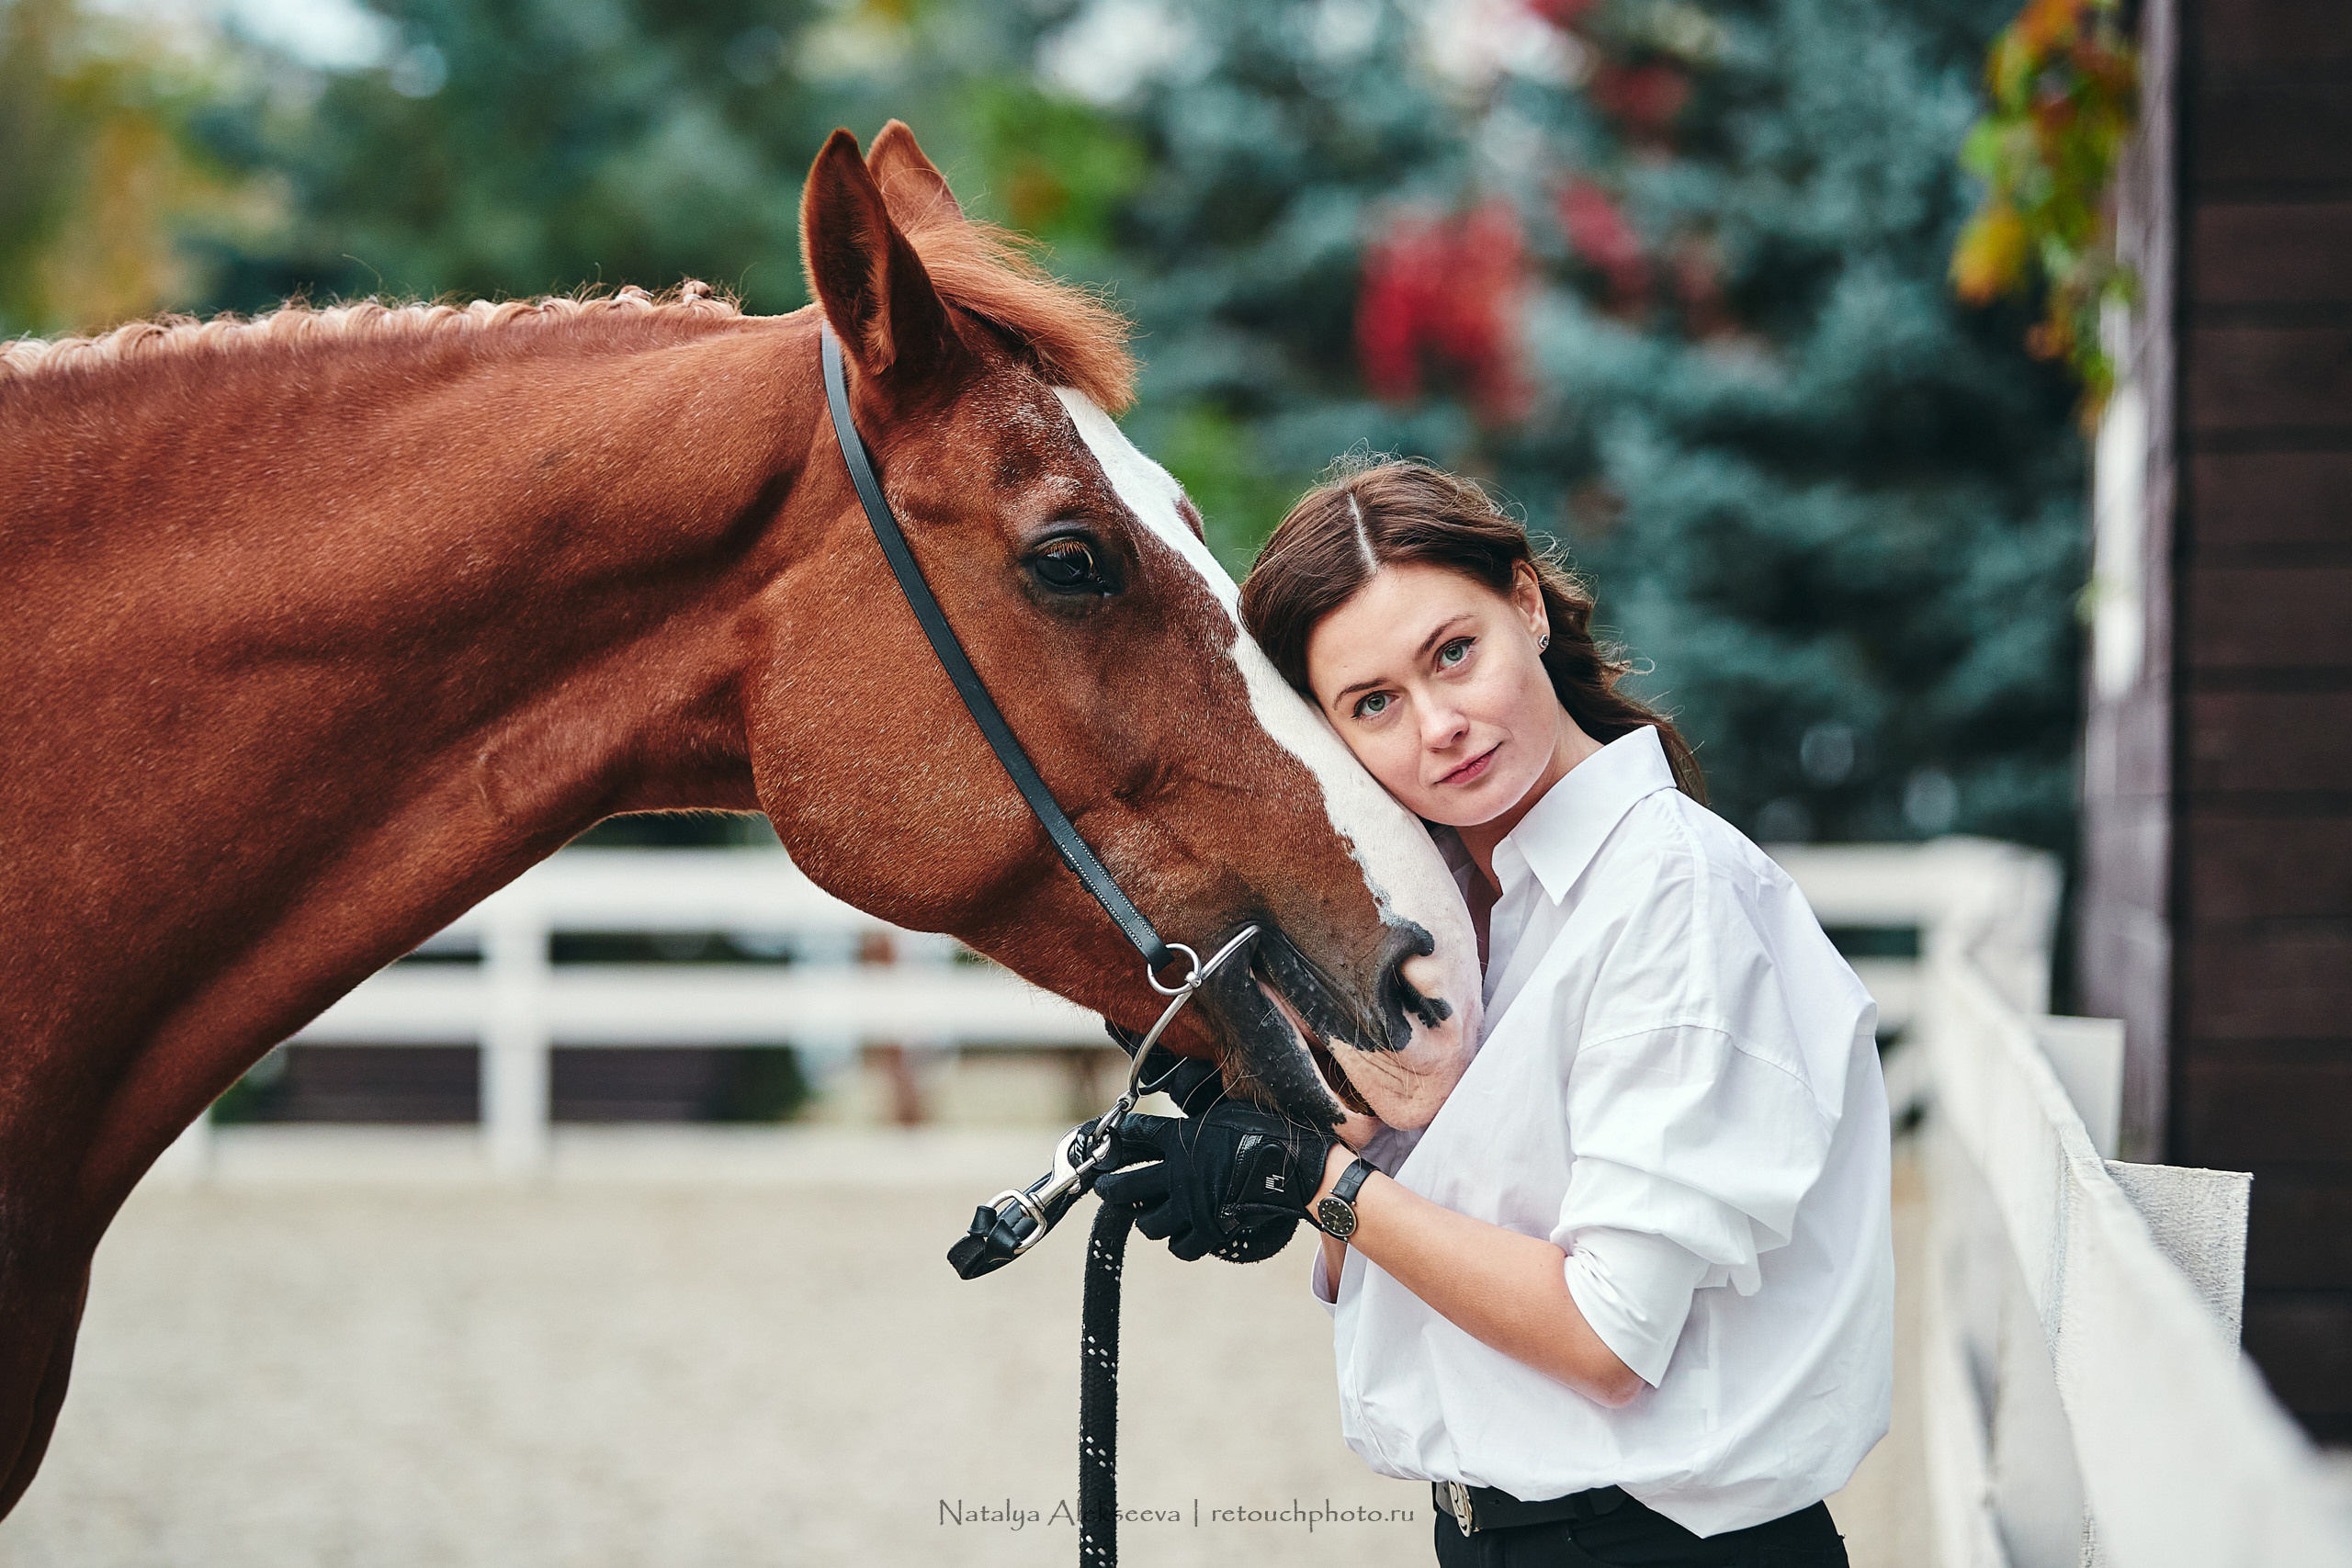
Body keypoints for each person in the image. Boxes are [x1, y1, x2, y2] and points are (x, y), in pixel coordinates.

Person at [1095, 458, 1892, 1566]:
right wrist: (1301, 1132)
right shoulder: (1473, 927)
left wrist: (1315, 1185)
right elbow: (1401, 1261)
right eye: (1373, 704)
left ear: (1524, 601)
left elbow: (1607, 1335)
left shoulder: (1670, 892)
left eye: (1452, 654)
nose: (1440, 727)